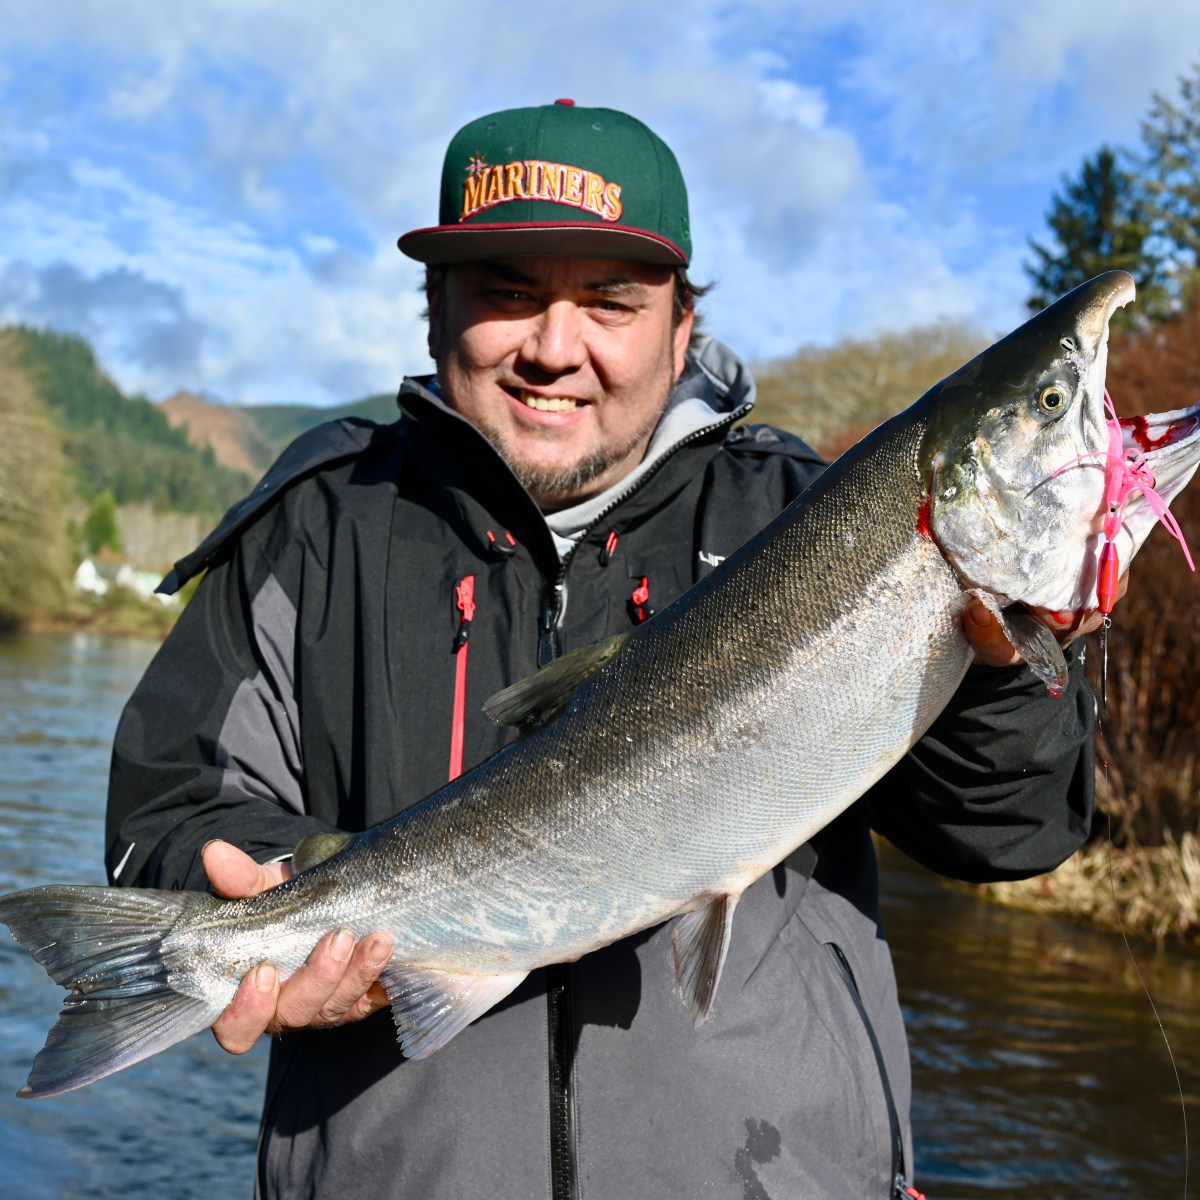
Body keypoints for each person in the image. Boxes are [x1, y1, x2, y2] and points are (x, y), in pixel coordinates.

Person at [106, 101, 1100, 1199]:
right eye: (508, 294)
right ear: (434, 310)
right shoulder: (315, 527)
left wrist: (1007, 676)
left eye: (611, 304)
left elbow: (1009, 834)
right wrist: (279, 911)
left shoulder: (806, 519)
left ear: (682, 330)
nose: (554, 348)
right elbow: (171, 806)